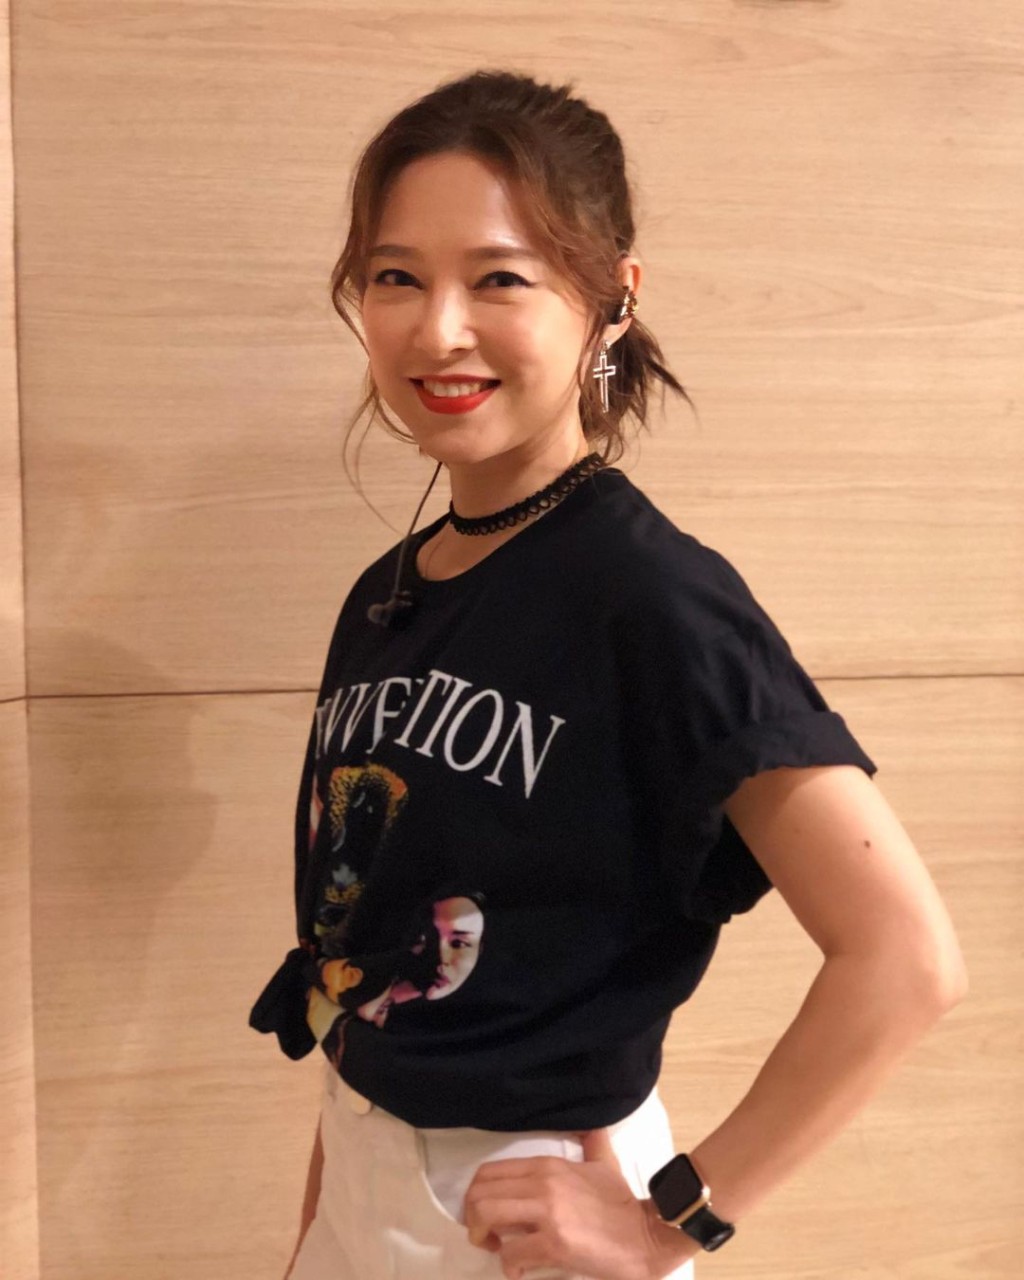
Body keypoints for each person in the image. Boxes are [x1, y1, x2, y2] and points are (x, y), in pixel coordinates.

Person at [249, 68, 968, 1280]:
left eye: (499, 278)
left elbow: (905, 960)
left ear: (613, 299)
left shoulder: (652, 596)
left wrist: (669, 1218)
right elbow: (363, 947)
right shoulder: (388, 589)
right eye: (395, 275)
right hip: (360, 1182)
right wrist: (321, 1228)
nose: (437, 329)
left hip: (525, 1215)